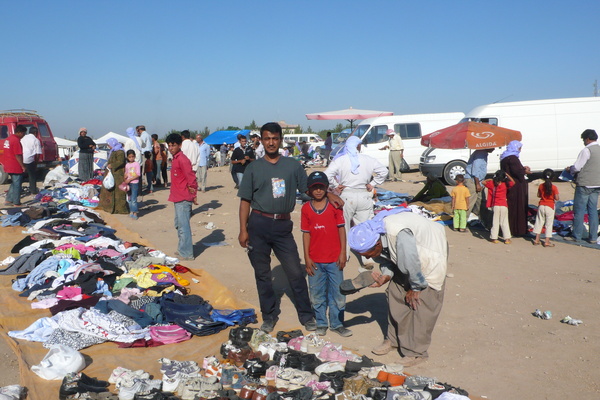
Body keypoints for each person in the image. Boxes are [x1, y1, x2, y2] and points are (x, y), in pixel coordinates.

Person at [238, 122, 343, 333]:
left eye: (274, 138)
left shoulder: (292, 166)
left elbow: (307, 190)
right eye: (267, 138)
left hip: (283, 226)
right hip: (258, 223)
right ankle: (268, 316)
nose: (271, 142)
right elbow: (245, 201)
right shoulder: (253, 168)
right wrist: (243, 229)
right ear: (261, 140)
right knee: (262, 274)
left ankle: (306, 315)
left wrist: (329, 194)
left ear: (280, 140)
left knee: (295, 271)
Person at [348, 210, 448, 367]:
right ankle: (393, 340)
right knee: (395, 293)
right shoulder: (374, 235)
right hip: (408, 258)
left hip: (429, 253)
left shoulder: (400, 236)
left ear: (377, 244)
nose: (367, 257)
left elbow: (411, 263)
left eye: (368, 253)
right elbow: (387, 259)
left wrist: (416, 287)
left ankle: (416, 352)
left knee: (422, 305)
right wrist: (386, 276)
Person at [324, 135, 388, 272]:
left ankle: (344, 255)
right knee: (364, 227)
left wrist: (335, 185)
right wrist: (373, 183)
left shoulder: (341, 160)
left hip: (346, 195)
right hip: (364, 195)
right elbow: (384, 171)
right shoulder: (368, 159)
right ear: (358, 146)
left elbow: (327, 175)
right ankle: (367, 258)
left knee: (344, 227)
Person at [301, 171, 350, 337]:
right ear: (309, 190)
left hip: (334, 260)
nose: (318, 191)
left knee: (338, 294)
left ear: (326, 188)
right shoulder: (306, 209)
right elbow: (306, 234)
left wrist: (343, 253)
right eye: (314, 187)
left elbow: (341, 230)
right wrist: (307, 258)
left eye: (321, 187)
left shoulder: (335, 207)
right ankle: (321, 323)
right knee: (316, 294)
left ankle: (337, 323)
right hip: (315, 261)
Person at [166, 133, 198, 261]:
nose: (171, 148)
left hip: (183, 197)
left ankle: (187, 253)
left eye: (173, 145)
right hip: (177, 196)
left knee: (183, 226)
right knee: (179, 225)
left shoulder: (182, 159)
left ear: (179, 145)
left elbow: (191, 178)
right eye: (169, 146)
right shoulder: (175, 158)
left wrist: (193, 195)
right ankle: (182, 249)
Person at [567, 129, 600, 243]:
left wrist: (570, 170)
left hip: (585, 184)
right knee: (593, 210)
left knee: (579, 210)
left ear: (587, 139)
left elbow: (577, 167)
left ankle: (577, 235)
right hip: (597, 184)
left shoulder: (586, 150)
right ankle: (593, 237)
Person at [500, 140, 530, 237]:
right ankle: (516, 230)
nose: (520, 150)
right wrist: (525, 171)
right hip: (516, 187)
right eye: (519, 148)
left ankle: (509, 229)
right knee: (517, 207)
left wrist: (522, 169)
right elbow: (517, 172)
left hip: (509, 185)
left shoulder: (505, 157)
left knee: (511, 207)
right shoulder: (512, 158)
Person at [482, 170, 515, 244]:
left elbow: (483, 182)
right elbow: (513, 182)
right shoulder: (505, 184)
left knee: (495, 222)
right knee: (504, 222)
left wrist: (490, 179)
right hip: (503, 205)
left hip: (495, 205)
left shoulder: (492, 183)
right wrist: (507, 175)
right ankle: (507, 238)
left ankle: (494, 238)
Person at [464, 149, 494, 228]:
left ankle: (480, 220)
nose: (494, 149)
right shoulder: (480, 154)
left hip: (479, 181)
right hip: (473, 181)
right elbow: (475, 170)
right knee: (470, 202)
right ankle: (462, 223)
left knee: (480, 202)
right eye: (493, 147)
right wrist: (477, 184)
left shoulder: (483, 153)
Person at [98, 138, 128, 214]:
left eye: (109, 144)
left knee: (118, 192)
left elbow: (121, 162)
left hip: (118, 174)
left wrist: (112, 165)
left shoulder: (120, 152)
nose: (108, 146)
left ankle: (118, 209)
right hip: (111, 173)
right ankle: (108, 207)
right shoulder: (113, 151)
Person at [532, 169, 559, 247]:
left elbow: (538, 195)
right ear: (553, 177)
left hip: (541, 205)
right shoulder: (554, 187)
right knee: (549, 224)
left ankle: (536, 240)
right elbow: (557, 198)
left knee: (539, 222)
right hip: (550, 206)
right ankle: (547, 241)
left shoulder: (541, 186)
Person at [3, 125, 26, 206]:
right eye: (23, 133)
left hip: (8, 164)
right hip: (15, 165)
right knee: (17, 184)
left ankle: (8, 200)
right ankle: (16, 202)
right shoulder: (16, 141)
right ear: (19, 132)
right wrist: (23, 166)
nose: (24, 135)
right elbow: (18, 155)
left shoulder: (8, 139)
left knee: (14, 183)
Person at [21, 126, 42, 195]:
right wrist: (36, 163)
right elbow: (38, 153)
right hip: (30, 159)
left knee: (20, 176)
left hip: (21, 159)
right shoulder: (36, 140)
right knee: (32, 176)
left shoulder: (23, 138)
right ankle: (33, 190)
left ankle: (19, 190)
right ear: (35, 133)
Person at [124, 150, 141, 219]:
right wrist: (125, 177)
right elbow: (126, 173)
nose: (131, 158)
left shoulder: (136, 164)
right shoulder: (127, 165)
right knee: (129, 198)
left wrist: (130, 179)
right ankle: (132, 211)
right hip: (128, 183)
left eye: (132, 156)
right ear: (127, 157)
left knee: (134, 198)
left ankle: (135, 213)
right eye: (129, 157)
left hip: (134, 183)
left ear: (135, 156)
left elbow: (138, 174)